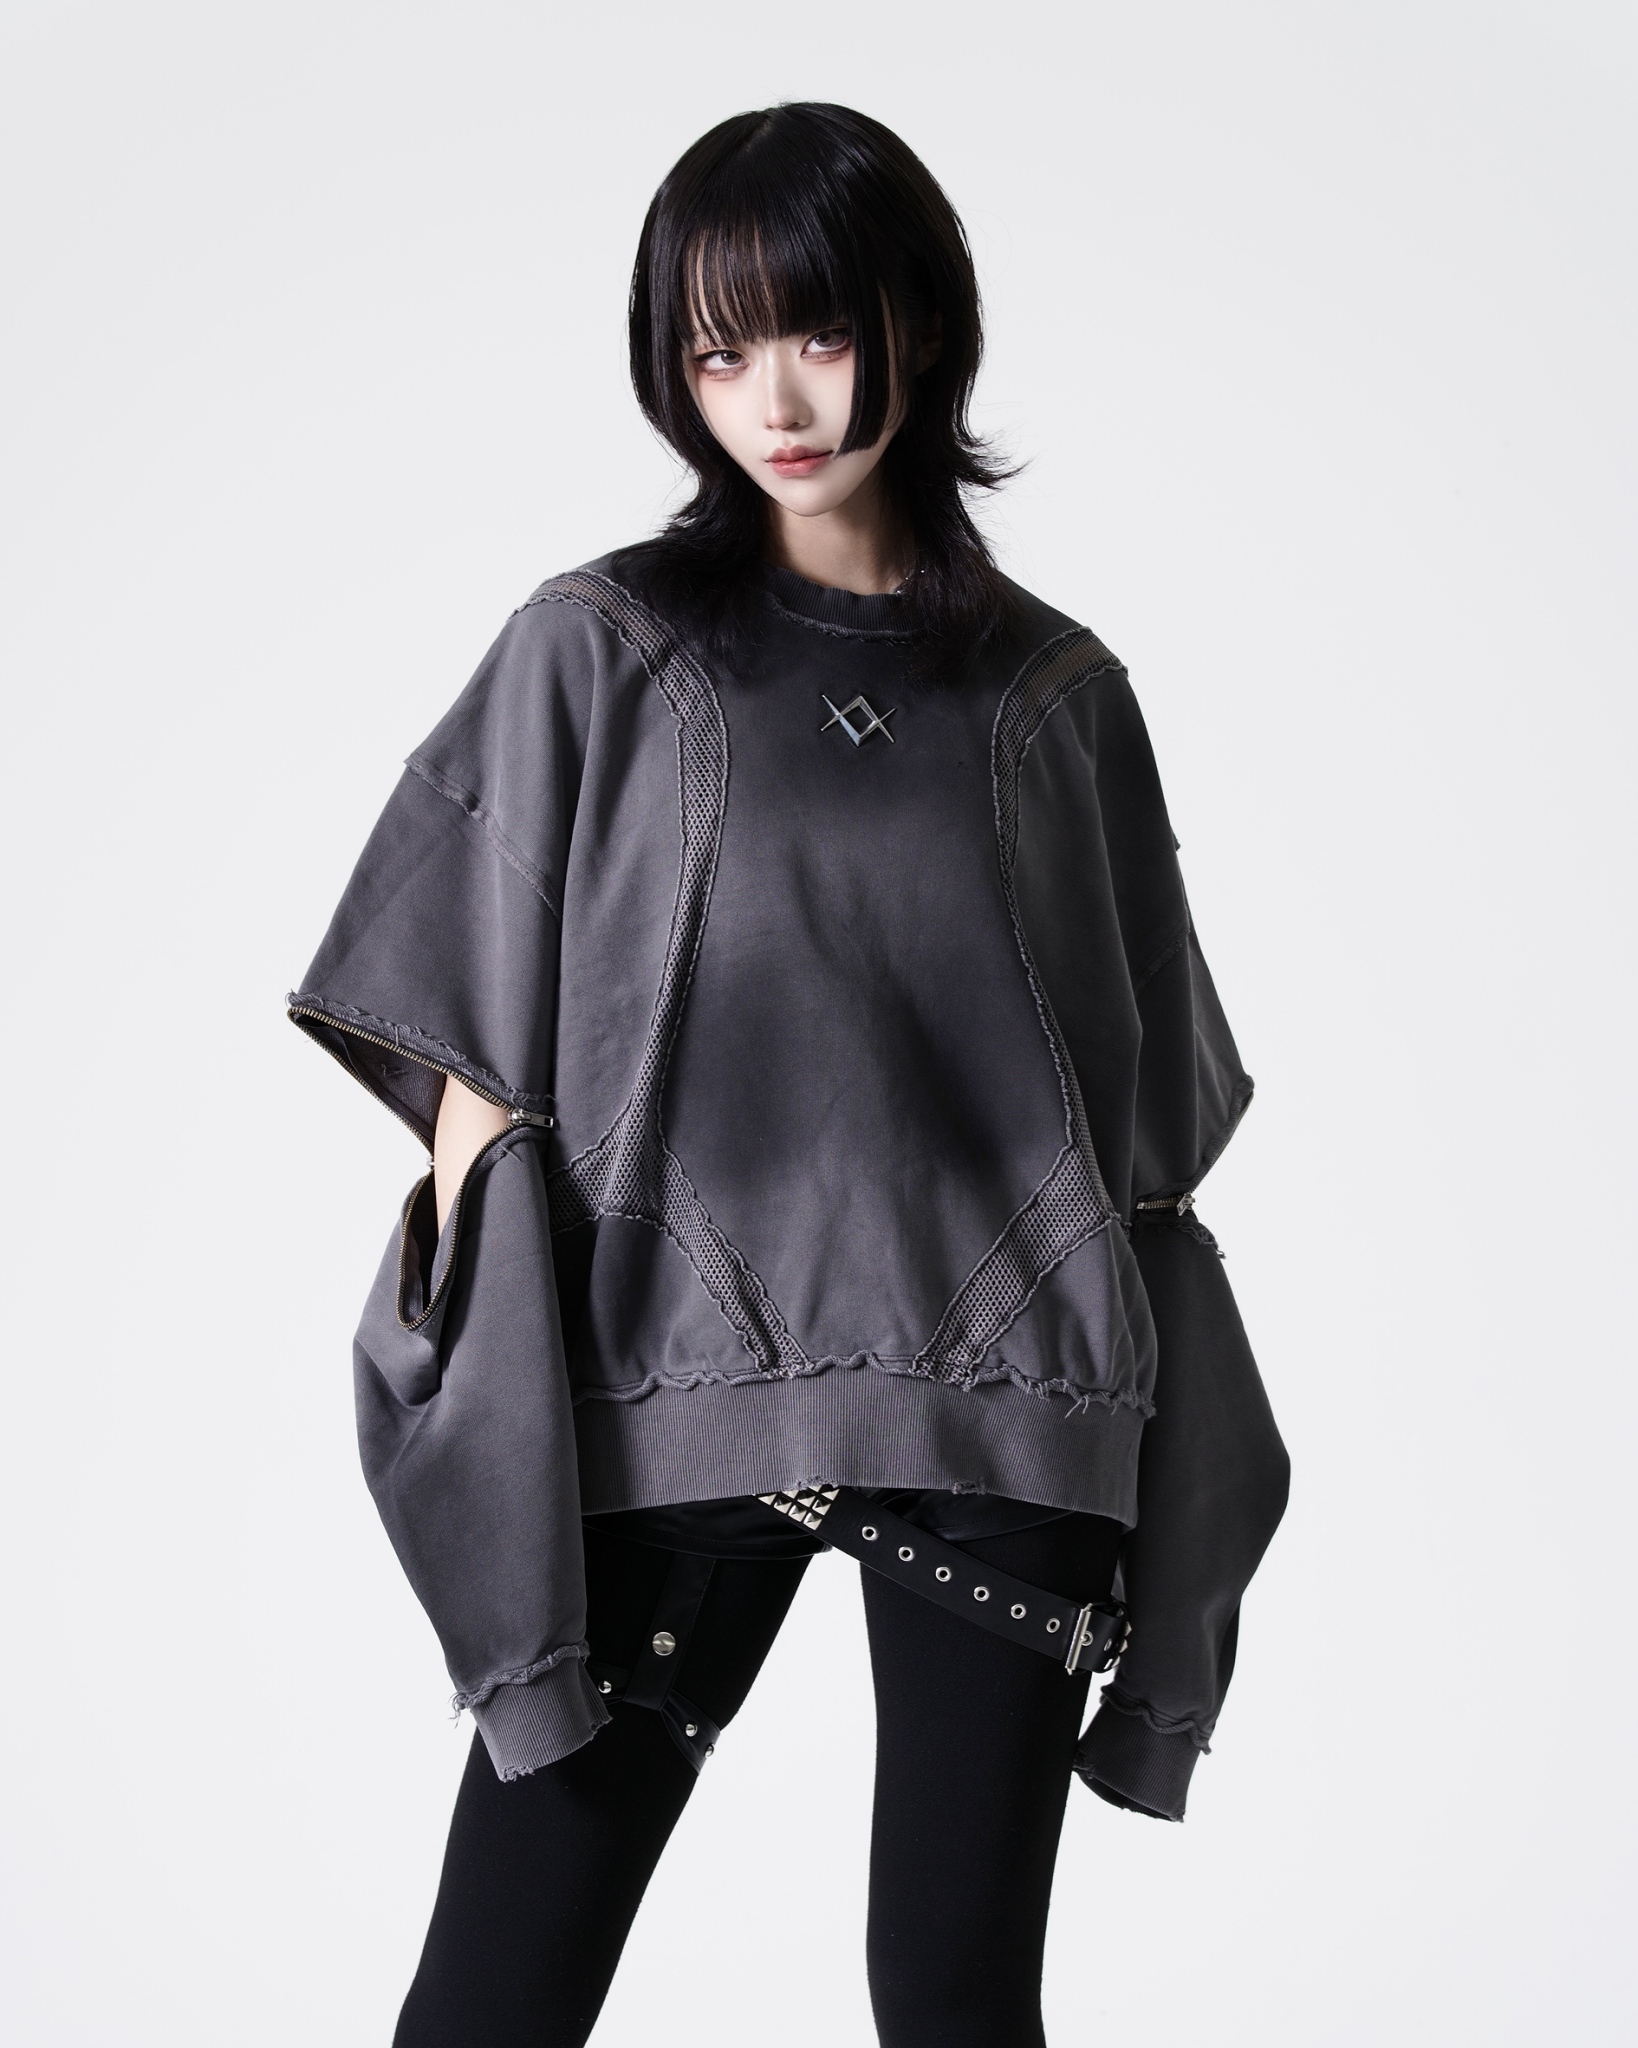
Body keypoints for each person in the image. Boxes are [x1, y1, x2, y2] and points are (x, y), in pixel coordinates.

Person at [290, 102, 1289, 2048]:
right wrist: (499, 1384)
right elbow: (467, 1076)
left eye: (817, 331)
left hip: (1001, 1417)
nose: (775, 398)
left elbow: (1145, 1144)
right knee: (489, 2000)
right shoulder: (596, 651)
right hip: (661, 1401)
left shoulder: (1058, 698)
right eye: (716, 348)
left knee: (955, 2007)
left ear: (921, 324)